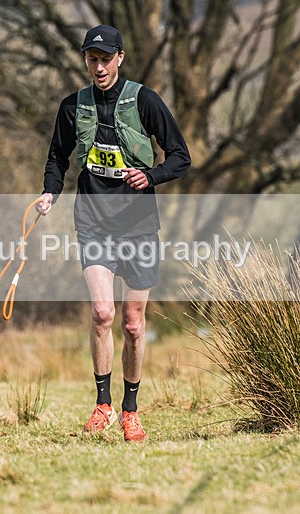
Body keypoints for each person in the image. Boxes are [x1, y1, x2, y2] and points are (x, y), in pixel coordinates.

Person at [35, 25, 191, 441]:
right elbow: (57, 157)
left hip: (139, 223)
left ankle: (130, 409)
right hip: (93, 220)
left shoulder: (145, 100)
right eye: (92, 59)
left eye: (106, 59)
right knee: (103, 314)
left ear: (120, 58)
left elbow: (181, 157)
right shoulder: (73, 106)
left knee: (133, 323)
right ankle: (103, 404)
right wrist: (50, 193)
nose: (99, 67)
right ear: (85, 61)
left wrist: (152, 175)